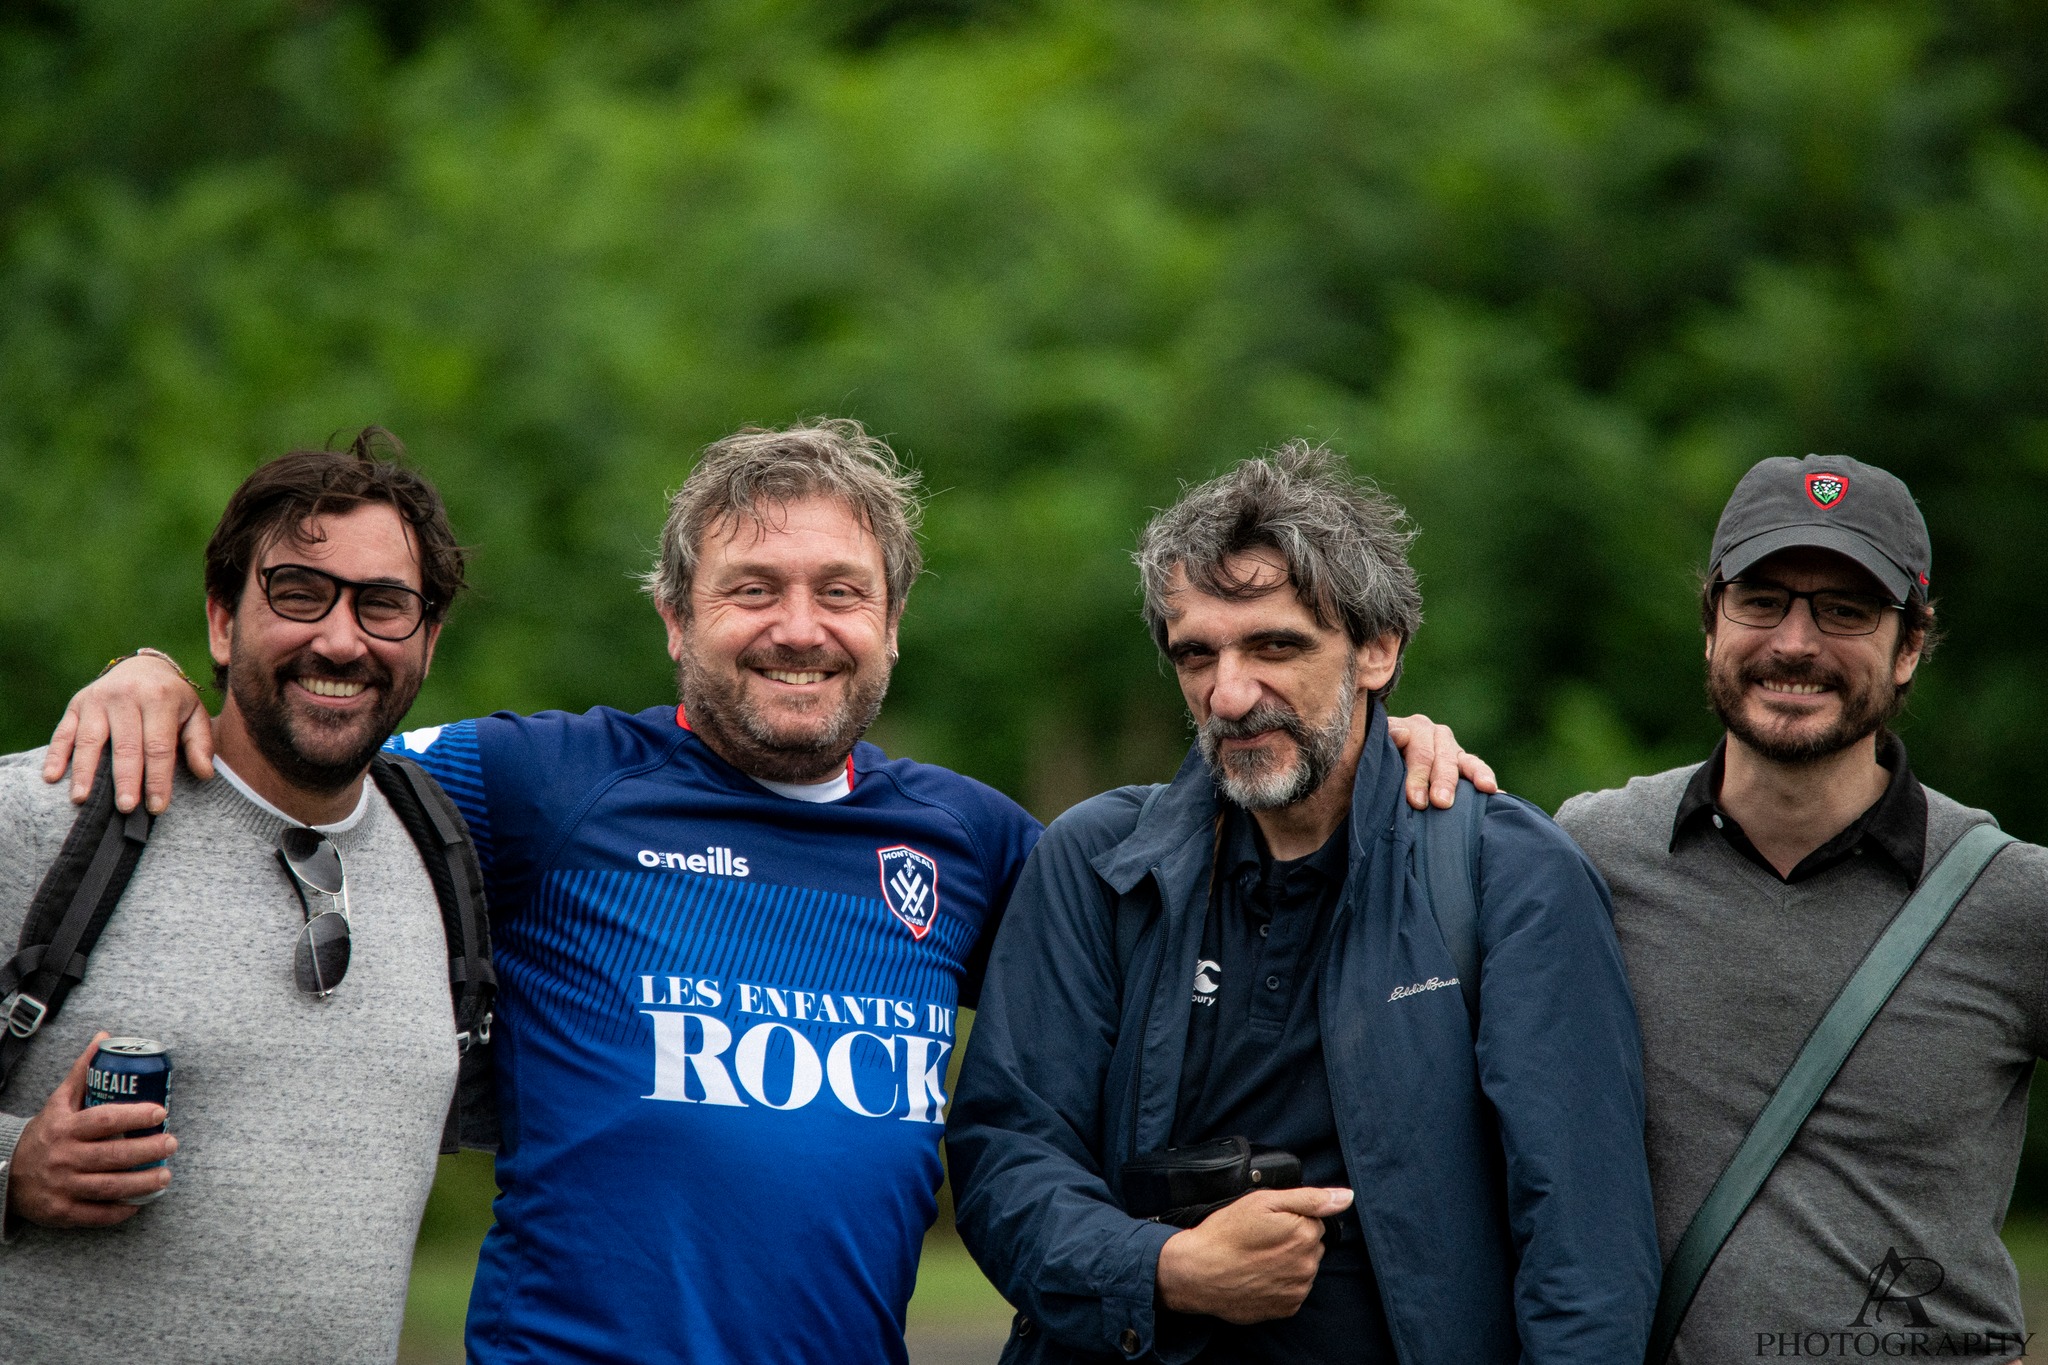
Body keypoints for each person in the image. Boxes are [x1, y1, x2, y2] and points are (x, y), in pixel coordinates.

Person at [53, 420, 1489, 1364]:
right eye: (752, 589)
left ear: (893, 624)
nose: (798, 627)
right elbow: (310, 741)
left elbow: (1224, 894)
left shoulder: (981, 843)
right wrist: (162, 674)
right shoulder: (541, 785)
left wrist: (1381, 747)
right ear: (676, 616)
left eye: (839, 590)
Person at [946, 442, 1661, 1364]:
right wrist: (1167, 1266)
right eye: (1196, 654)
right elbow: (1006, 1159)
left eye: (1276, 645)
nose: (1230, 693)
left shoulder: (1507, 874)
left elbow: (1585, 1254)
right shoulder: (1096, 862)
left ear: (1378, 648)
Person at [1555, 455, 2048, 1365]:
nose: (1795, 642)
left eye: (1845, 611)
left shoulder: (2015, 901)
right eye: (1762, 601)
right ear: (1710, 625)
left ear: (1908, 647)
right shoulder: (1591, 854)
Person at [0, 432, 475, 1360]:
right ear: (221, 622)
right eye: (298, 593)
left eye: (385, 606)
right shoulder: (49, 814)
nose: (340, 638)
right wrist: (11, 1168)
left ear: (428, 640)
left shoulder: (450, 853)